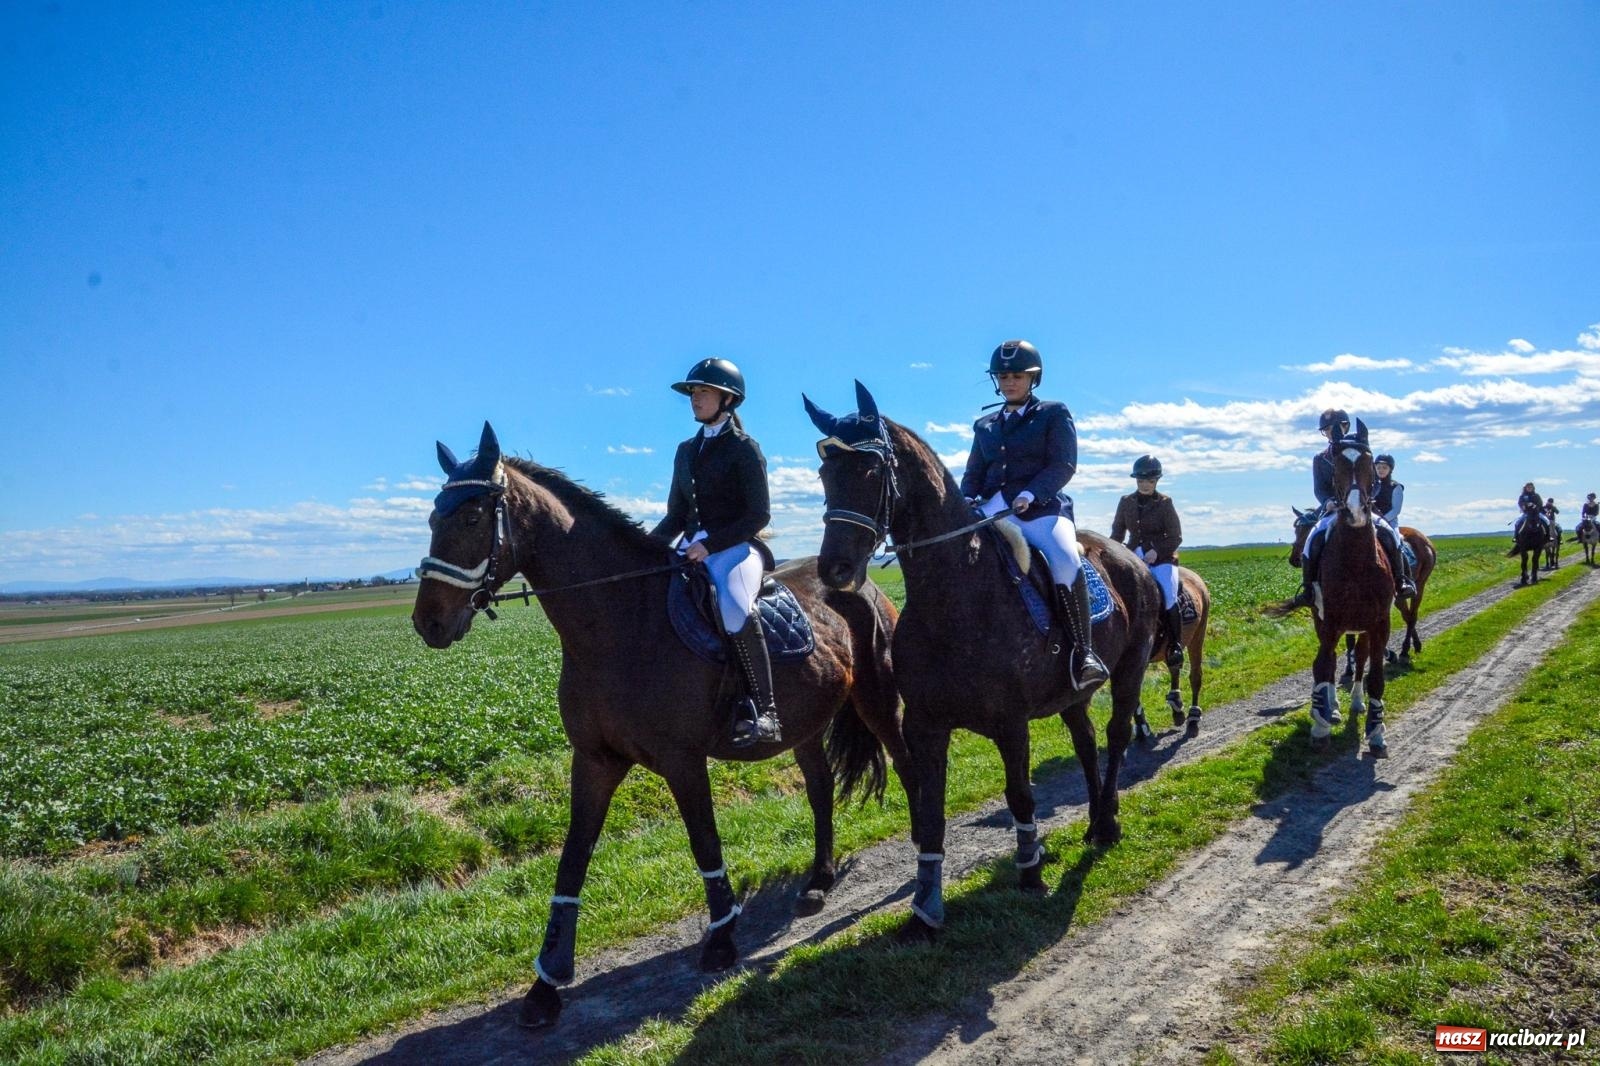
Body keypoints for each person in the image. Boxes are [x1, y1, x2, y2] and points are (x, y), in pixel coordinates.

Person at [959, 339, 1107, 691]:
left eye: (1018, 376)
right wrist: (965, 498)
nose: (1010, 382)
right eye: (1004, 375)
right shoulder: (985, 425)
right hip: (993, 506)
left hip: (1041, 507)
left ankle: (1084, 653)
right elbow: (973, 473)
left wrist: (1031, 493)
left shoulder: (1053, 413)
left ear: (1033, 378)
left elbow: (1063, 464)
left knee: (1065, 556)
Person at [650, 357, 781, 747]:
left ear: (727, 399)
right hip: (691, 545)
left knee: (735, 607)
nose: (694, 398)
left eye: (702, 391)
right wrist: (647, 548)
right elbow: (675, 515)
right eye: (692, 391)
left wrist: (710, 545)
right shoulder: (685, 451)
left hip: (736, 547)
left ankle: (767, 710)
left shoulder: (744, 449)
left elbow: (758, 513)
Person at [1290, 410, 1416, 609]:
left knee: (1390, 534)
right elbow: (1319, 489)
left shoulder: (1360, 450)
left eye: (1335, 427)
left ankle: (1401, 581)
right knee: (1312, 540)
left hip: (1363, 506)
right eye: (1327, 430)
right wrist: (1328, 502)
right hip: (1334, 510)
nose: (1331, 432)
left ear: (1345, 426)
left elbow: (1374, 484)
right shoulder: (1320, 458)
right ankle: (1308, 590)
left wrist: (1365, 498)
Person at [1110, 455, 1185, 669]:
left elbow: (1176, 536)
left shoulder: (1165, 503)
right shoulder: (1125, 502)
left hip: (1162, 557)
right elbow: (1117, 534)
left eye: (1149, 481)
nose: (1144, 485)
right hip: (1133, 555)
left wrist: (1156, 551)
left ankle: (1175, 646)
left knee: (1169, 595)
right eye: (1141, 481)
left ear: (1156, 481)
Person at [1372, 453, 1404, 526]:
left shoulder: (1396, 487)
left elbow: (1396, 510)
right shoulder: (1370, 485)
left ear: (1390, 469)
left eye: (1384, 468)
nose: (1381, 470)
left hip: (1389, 520)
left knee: (1394, 535)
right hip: (1370, 520)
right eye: (1378, 467)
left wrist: (1381, 520)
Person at [1512, 482, 1545, 548]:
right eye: (1528, 487)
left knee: (1547, 521)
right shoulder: (1523, 496)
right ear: (1525, 488)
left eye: (1531, 487)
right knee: (1517, 523)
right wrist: (1525, 505)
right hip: (1526, 513)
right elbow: (1520, 503)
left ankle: (1549, 536)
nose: (1529, 488)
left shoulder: (1536, 495)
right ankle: (1515, 537)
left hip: (1536, 512)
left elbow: (1540, 503)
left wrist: (1535, 505)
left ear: (1533, 488)